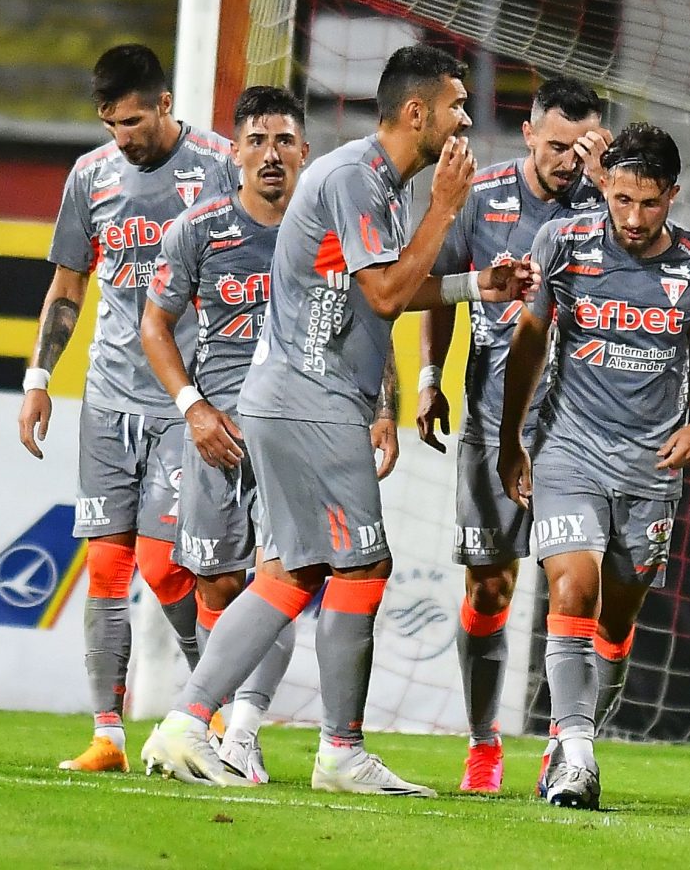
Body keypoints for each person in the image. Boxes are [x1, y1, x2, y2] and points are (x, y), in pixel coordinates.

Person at [140, 44, 539, 795]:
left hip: (294, 396)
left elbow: (383, 287)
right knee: (362, 565)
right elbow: (385, 295)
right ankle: (339, 751)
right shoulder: (358, 177)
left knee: (292, 572)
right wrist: (446, 210)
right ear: (416, 112)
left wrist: (475, 286)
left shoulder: (378, 182)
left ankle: (187, 722)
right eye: (456, 106)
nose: (464, 121)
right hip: (311, 398)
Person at [17, 44, 238, 772]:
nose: (123, 137)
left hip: (189, 401)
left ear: (166, 104)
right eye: (111, 124)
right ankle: (107, 736)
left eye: (134, 122)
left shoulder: (220, 165)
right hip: (108, 399)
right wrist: (39, 377)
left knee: (167, 566)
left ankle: (211, 710)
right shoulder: (91, 176)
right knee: (107, 567)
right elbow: (69, 285)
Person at [499, 123, 690, 810]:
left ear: (673, 196)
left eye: (649, 203)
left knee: (617, 620)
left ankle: (568, 737)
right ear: (605, 186)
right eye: (621, 199)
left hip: (652, 464)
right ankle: (578, 756)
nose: (632, 217)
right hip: (569, 447)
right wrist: (513, 439)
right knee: (573, 588)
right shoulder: (562, 244)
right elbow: (531, 337)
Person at [415, 76, 610, 792]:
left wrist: (606, 182)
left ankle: (564, 746)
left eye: (582, 148)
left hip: (580, 430)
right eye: (556, 145)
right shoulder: (482, 194)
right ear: (529, 134)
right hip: (493, 416)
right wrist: (430, 376)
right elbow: (440, 285)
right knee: (491, 588)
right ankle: (482, 742)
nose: (568, 161)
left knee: (574, 587)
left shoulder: (613, 203)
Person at [139, 85, 313, 784]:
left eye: (283, 140)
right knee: (215, 586)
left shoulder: (327, 227)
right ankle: (208, 727)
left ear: (304, 151)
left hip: (296, 435)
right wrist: (193, 408)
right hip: (215, 435)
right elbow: (155, 324)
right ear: (234, 152)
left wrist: (385, 410)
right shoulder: (199, 229)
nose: (270, 154)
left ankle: (243, 734)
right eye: (257, 141)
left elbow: (369, 314)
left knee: (279, 575)